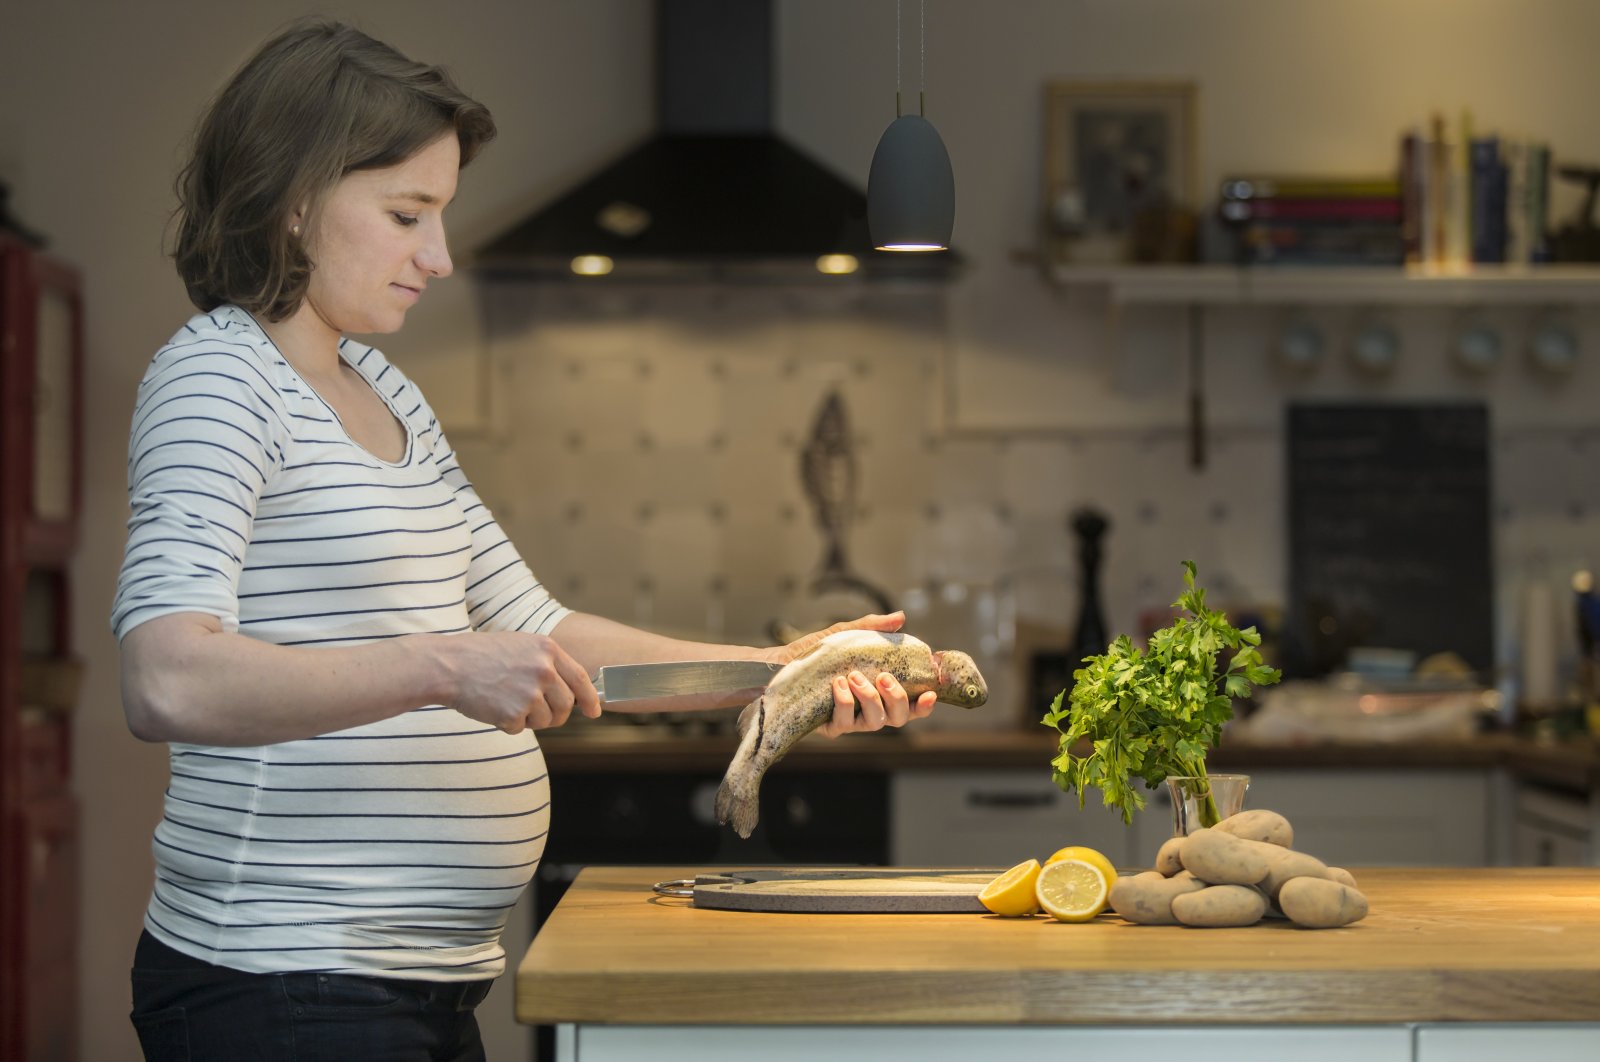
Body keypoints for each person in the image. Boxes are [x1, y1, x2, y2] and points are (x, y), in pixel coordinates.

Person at [113, 19, 936, 1062]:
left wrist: (784, 672)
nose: (439, 256)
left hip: (414, 986)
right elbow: (168, 682)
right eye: (408, 214)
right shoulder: (218, 380)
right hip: (283, 980)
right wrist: (443, 668)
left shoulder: (385, 391)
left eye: (442, 214)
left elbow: (539, 628)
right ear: (295, 198)